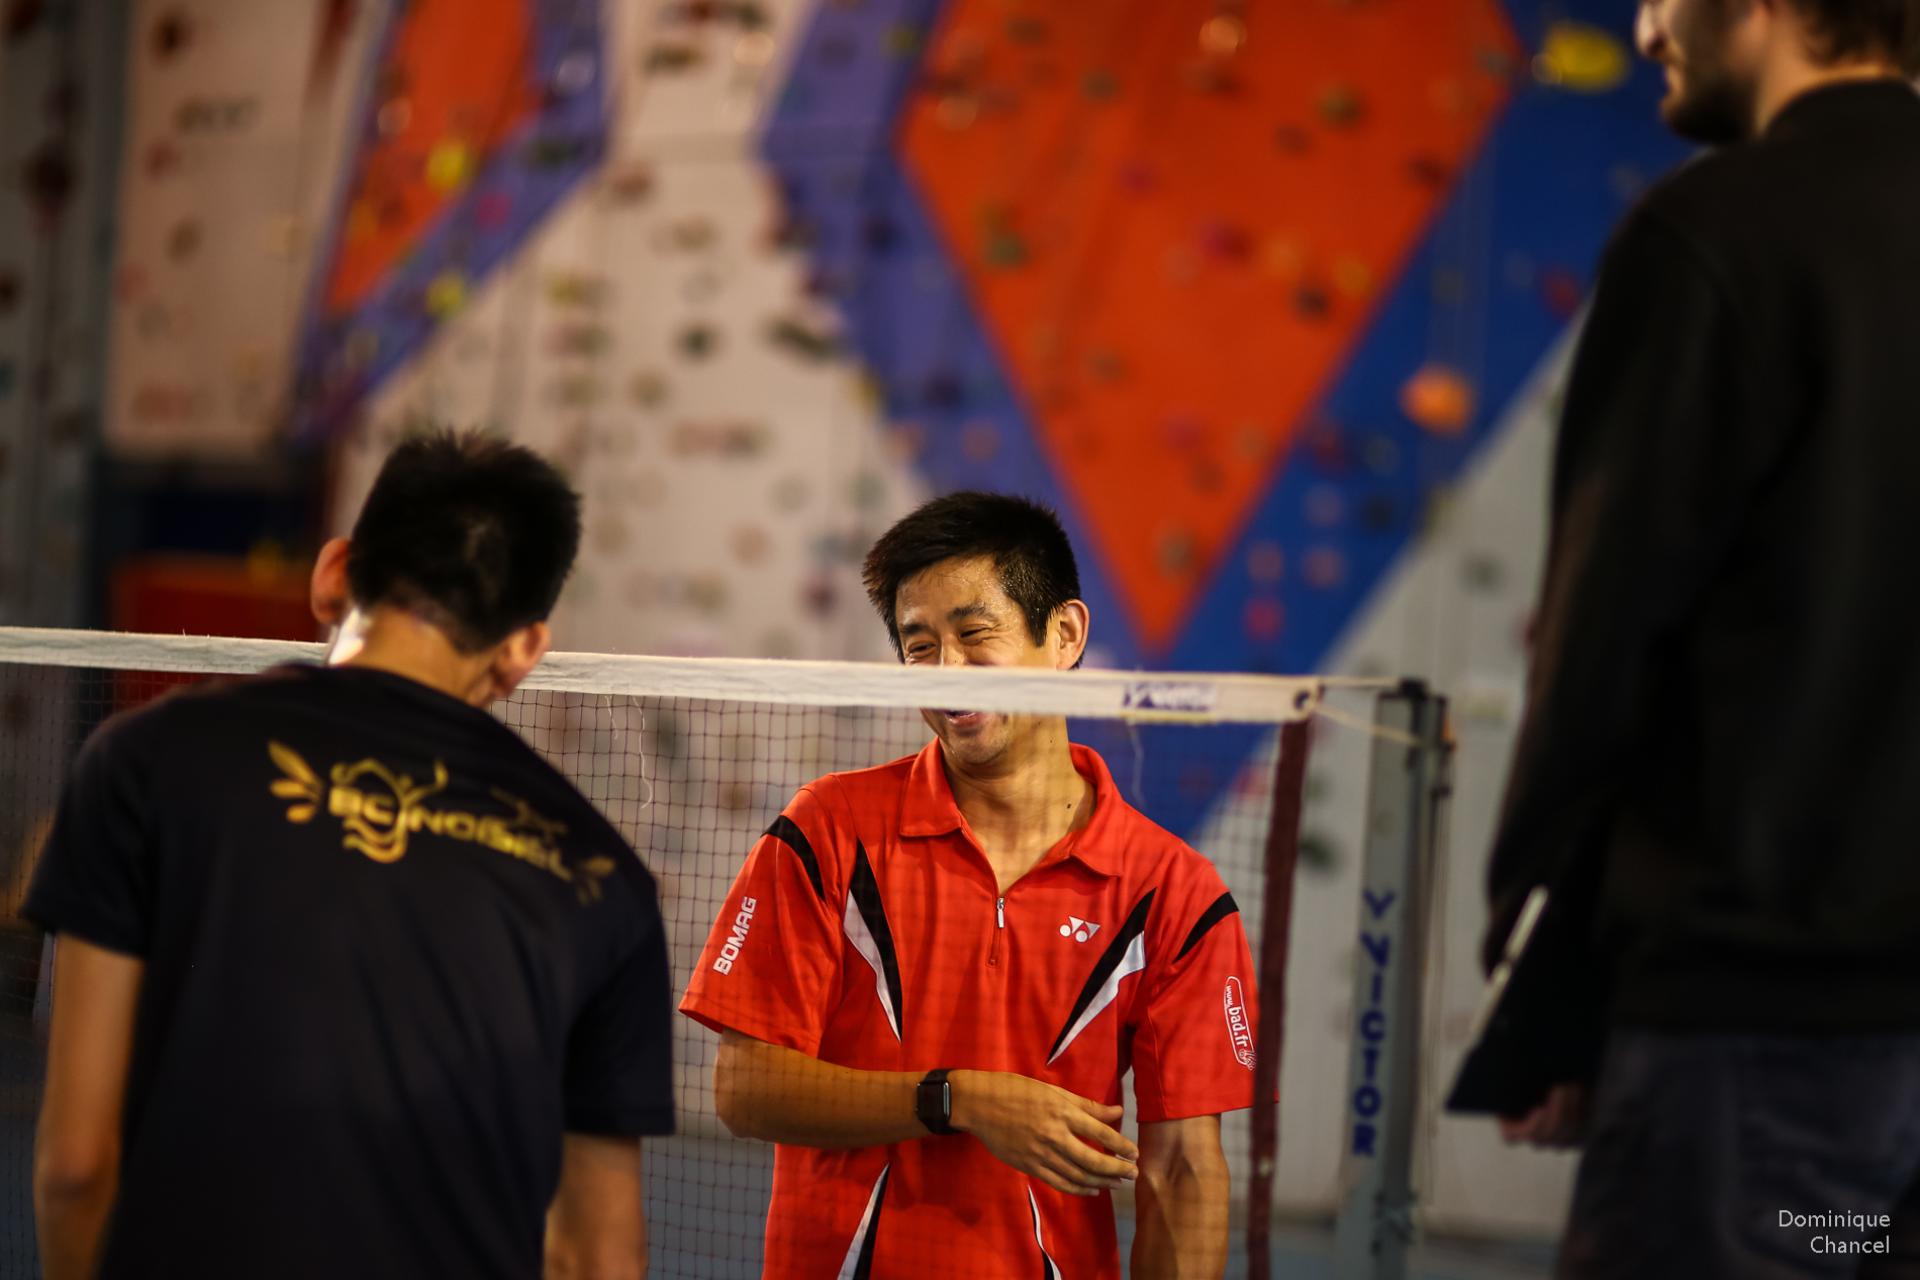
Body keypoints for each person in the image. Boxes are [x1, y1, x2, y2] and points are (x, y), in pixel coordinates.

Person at [1484, 0, 1920, 1273]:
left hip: (1762, 1051)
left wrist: (1550, 978)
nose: (1645, 28)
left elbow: (1611, 638)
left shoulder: (1719, 231)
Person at [28, 431, 673, 1280]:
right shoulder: (603, 875)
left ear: (334, 572)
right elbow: (601, 1257)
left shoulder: (144, 760)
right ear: (524, 647)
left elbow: (76, 1169)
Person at [680, 492, 1259, 1278]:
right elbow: (746, 1088)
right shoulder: (827, 831)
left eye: (974, 634)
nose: (947, 671)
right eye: (920, 647)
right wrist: (955, 1100)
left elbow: (1184, 1168)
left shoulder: (1175, 893)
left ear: (1065, 636)